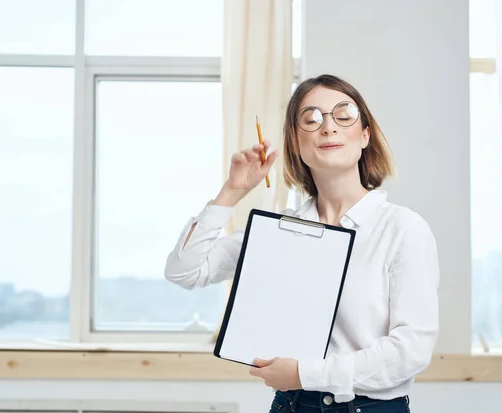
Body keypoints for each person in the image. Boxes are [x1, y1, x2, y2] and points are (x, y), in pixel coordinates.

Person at [164, 74, 440, 413]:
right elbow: (185, 272)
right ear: (295, 143)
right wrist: (232, 191)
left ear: (365, 135)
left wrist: (304, 373)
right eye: (310, 119)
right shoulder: (279, 231)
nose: (328, 127)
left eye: (344, 115)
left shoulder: (402, 229)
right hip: (291, 406)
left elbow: (411, 351)